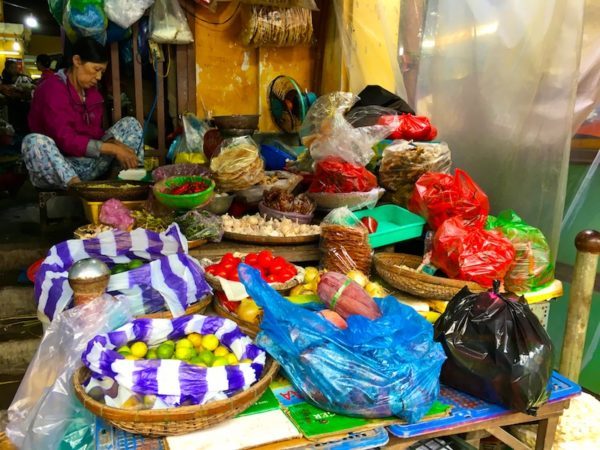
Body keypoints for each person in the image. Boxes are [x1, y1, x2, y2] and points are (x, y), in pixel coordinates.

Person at [22, 37, 142, 189]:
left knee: (130, 124)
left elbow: (94, 132)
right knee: (33, 141)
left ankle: (124, 184)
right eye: (96, 69)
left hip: (86, 166)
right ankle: (80, 191)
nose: (98, 77)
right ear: (77, 61)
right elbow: (65, 138)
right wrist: (113, 148)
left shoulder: (91, 93)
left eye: (102, 72)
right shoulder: (52, 89)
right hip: (59, 170)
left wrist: (116, 143)